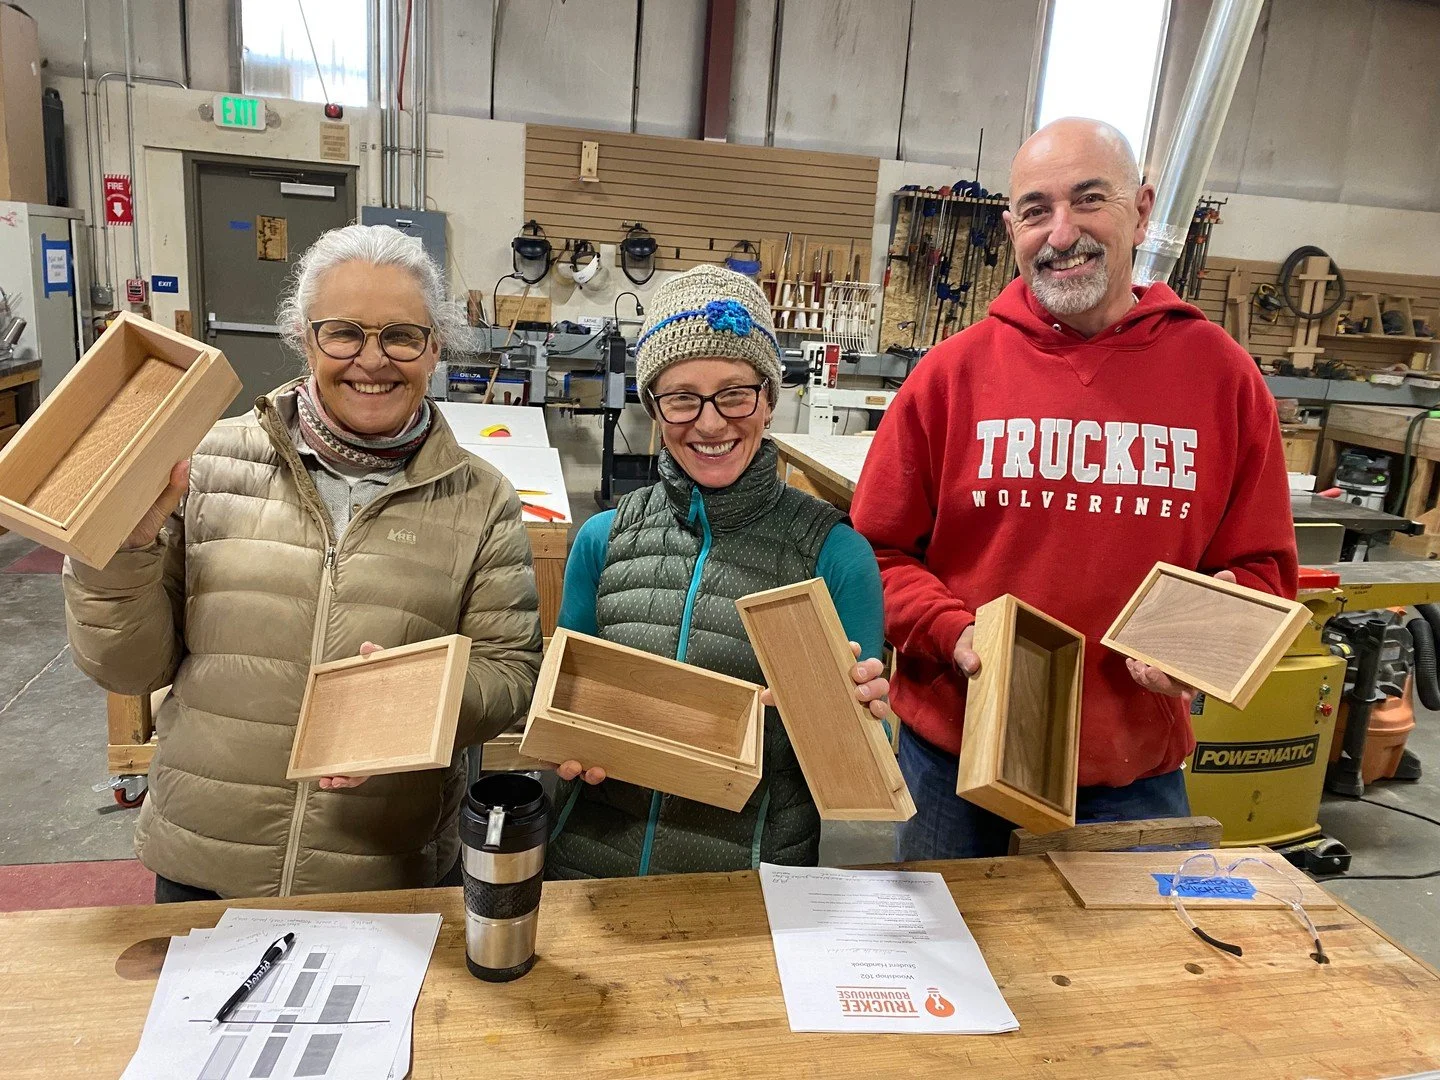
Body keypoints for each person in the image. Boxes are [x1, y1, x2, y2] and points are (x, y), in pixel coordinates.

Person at [850, 118, 1298, 861]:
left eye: (1090, 200)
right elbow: (878, 553)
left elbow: (1264, 572)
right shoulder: (950, 376)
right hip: (956, 763)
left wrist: (1198, 648)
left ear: (1142, 209)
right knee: (945, 972)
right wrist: (952, 633)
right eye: (1036, 210)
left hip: (1130, 780)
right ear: (1010, 227)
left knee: (1122, 978)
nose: (1062, 233)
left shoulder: (1223, 378)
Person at [63, 224, 543, 900]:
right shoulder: (203, 465)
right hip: (207, 863)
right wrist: (123, 548)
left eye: (401, 336)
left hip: (384, 868)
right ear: (303, 335)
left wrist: (415, 703)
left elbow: (510, 672)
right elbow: (127, 667)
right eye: (343, 332)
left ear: (434, 349)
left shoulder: (479, 498)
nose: (371, 361)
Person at [546, 264, 889, 879]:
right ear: (653, 406)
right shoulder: (602, 539)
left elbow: (862, 763)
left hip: (751, 883)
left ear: (769, 396)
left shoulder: (835, 557)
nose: (709, 423)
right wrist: (567, 741)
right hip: (589, 869)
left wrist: (859, 720)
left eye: (734, 393)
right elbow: (566, 705)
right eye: (681, 398)